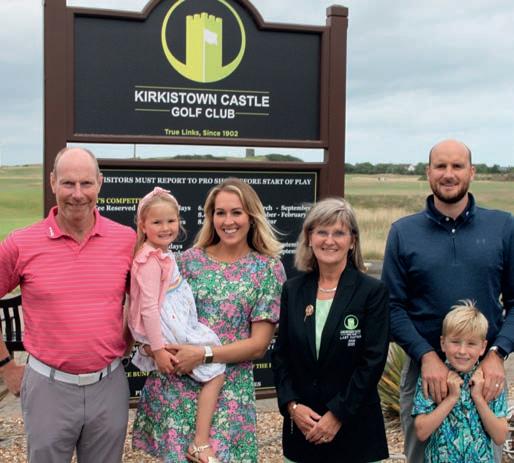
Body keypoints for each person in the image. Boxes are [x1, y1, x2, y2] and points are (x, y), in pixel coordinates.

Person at [132, 177, 286, 462]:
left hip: (229, 395)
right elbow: (154, 310)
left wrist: (203, 354)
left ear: (251, 216)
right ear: (210, 217)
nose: (228, 221)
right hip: (177, 390)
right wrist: (152, 348)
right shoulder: (187, 261)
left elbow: (258, 345)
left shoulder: (267, 269)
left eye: (236, 212)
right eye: (220, 213)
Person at [381, 139, 514, 462]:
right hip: (426, 375)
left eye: (457, 166)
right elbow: (391, 307)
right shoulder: (404, 232)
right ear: (429, 172)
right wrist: (427, 356)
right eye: (440, 166)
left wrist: (497, 353)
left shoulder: (502, 227)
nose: (449, 174)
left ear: (472, 172)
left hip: (485, 373)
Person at [0, 147, 135, 463]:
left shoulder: (126, 239)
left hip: (109, 385)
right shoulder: (21, 244)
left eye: (86, 183)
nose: (77, 194)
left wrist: (129, 340)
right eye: (68, 183)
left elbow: (145, 301)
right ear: (52, 182)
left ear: (99, 183)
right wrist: (6, 367)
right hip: (48, 387)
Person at [271, 197, 390, 463]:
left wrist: (337, 414)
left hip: (355, 432)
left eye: (339, 233)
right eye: (322, 232)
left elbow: (372, 361)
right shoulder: (293, 289)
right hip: (303, 430)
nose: (329, 240)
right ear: (309, 238)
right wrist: (292, 406)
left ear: (353, 241)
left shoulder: (372, 292)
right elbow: (281, 355)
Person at [128, 186, 225, 463]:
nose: (166, 227)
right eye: (157, 222)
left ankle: (198, 438)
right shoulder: (149, 259)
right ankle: (200, 442)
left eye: (171, 221)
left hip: (174, 320)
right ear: (143, 225)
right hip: (168, 324)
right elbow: (148, 307)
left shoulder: (162, 254)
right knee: (215, 369)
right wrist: (158, 349)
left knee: (207, 368)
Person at [413, 300, 508, 462]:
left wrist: (478, 398)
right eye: (455, 342)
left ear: (483, 347)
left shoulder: (490, 379)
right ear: (443, 343)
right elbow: (421, 432)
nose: (462, 351)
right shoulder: (432, 378)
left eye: (471, 344)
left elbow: (500, 436)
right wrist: (451, 398)